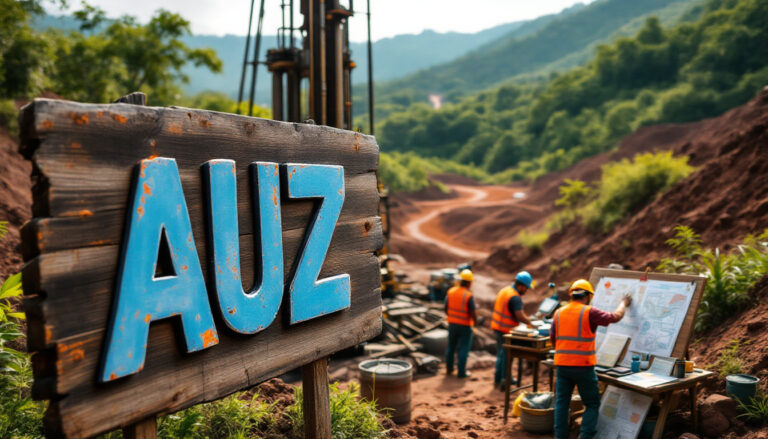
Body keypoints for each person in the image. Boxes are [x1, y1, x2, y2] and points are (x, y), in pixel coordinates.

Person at [551, 279, 632, 439]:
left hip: (562, 366)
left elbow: (553, 339)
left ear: (571, 294)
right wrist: (624, 303)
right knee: (592, 404)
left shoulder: (558, 312)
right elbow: (614, 317)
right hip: (583, 367)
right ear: (587, 296)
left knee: (562, 404)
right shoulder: (589, 312)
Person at [491, 271, 534, 389]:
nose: (526, 291)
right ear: (521, 286)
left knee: (501, 354)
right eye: (526, 288)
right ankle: (505, 381)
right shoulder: (515, 297)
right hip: (505, 330)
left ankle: (499, 378)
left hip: (497, 327)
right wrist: (531, 322)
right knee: (506, 356)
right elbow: (519, 316)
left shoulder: (505, 290)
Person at [444, 269, 477, 378]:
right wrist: (475, 322)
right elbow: (472, 312)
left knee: (451, 347)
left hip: (452, 324)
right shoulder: (468, 295)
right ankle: (461, 372)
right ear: (469, 283)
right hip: (465, 325)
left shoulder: (451, 291)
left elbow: (445, 307)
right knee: (463, 349)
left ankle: (449, 369)